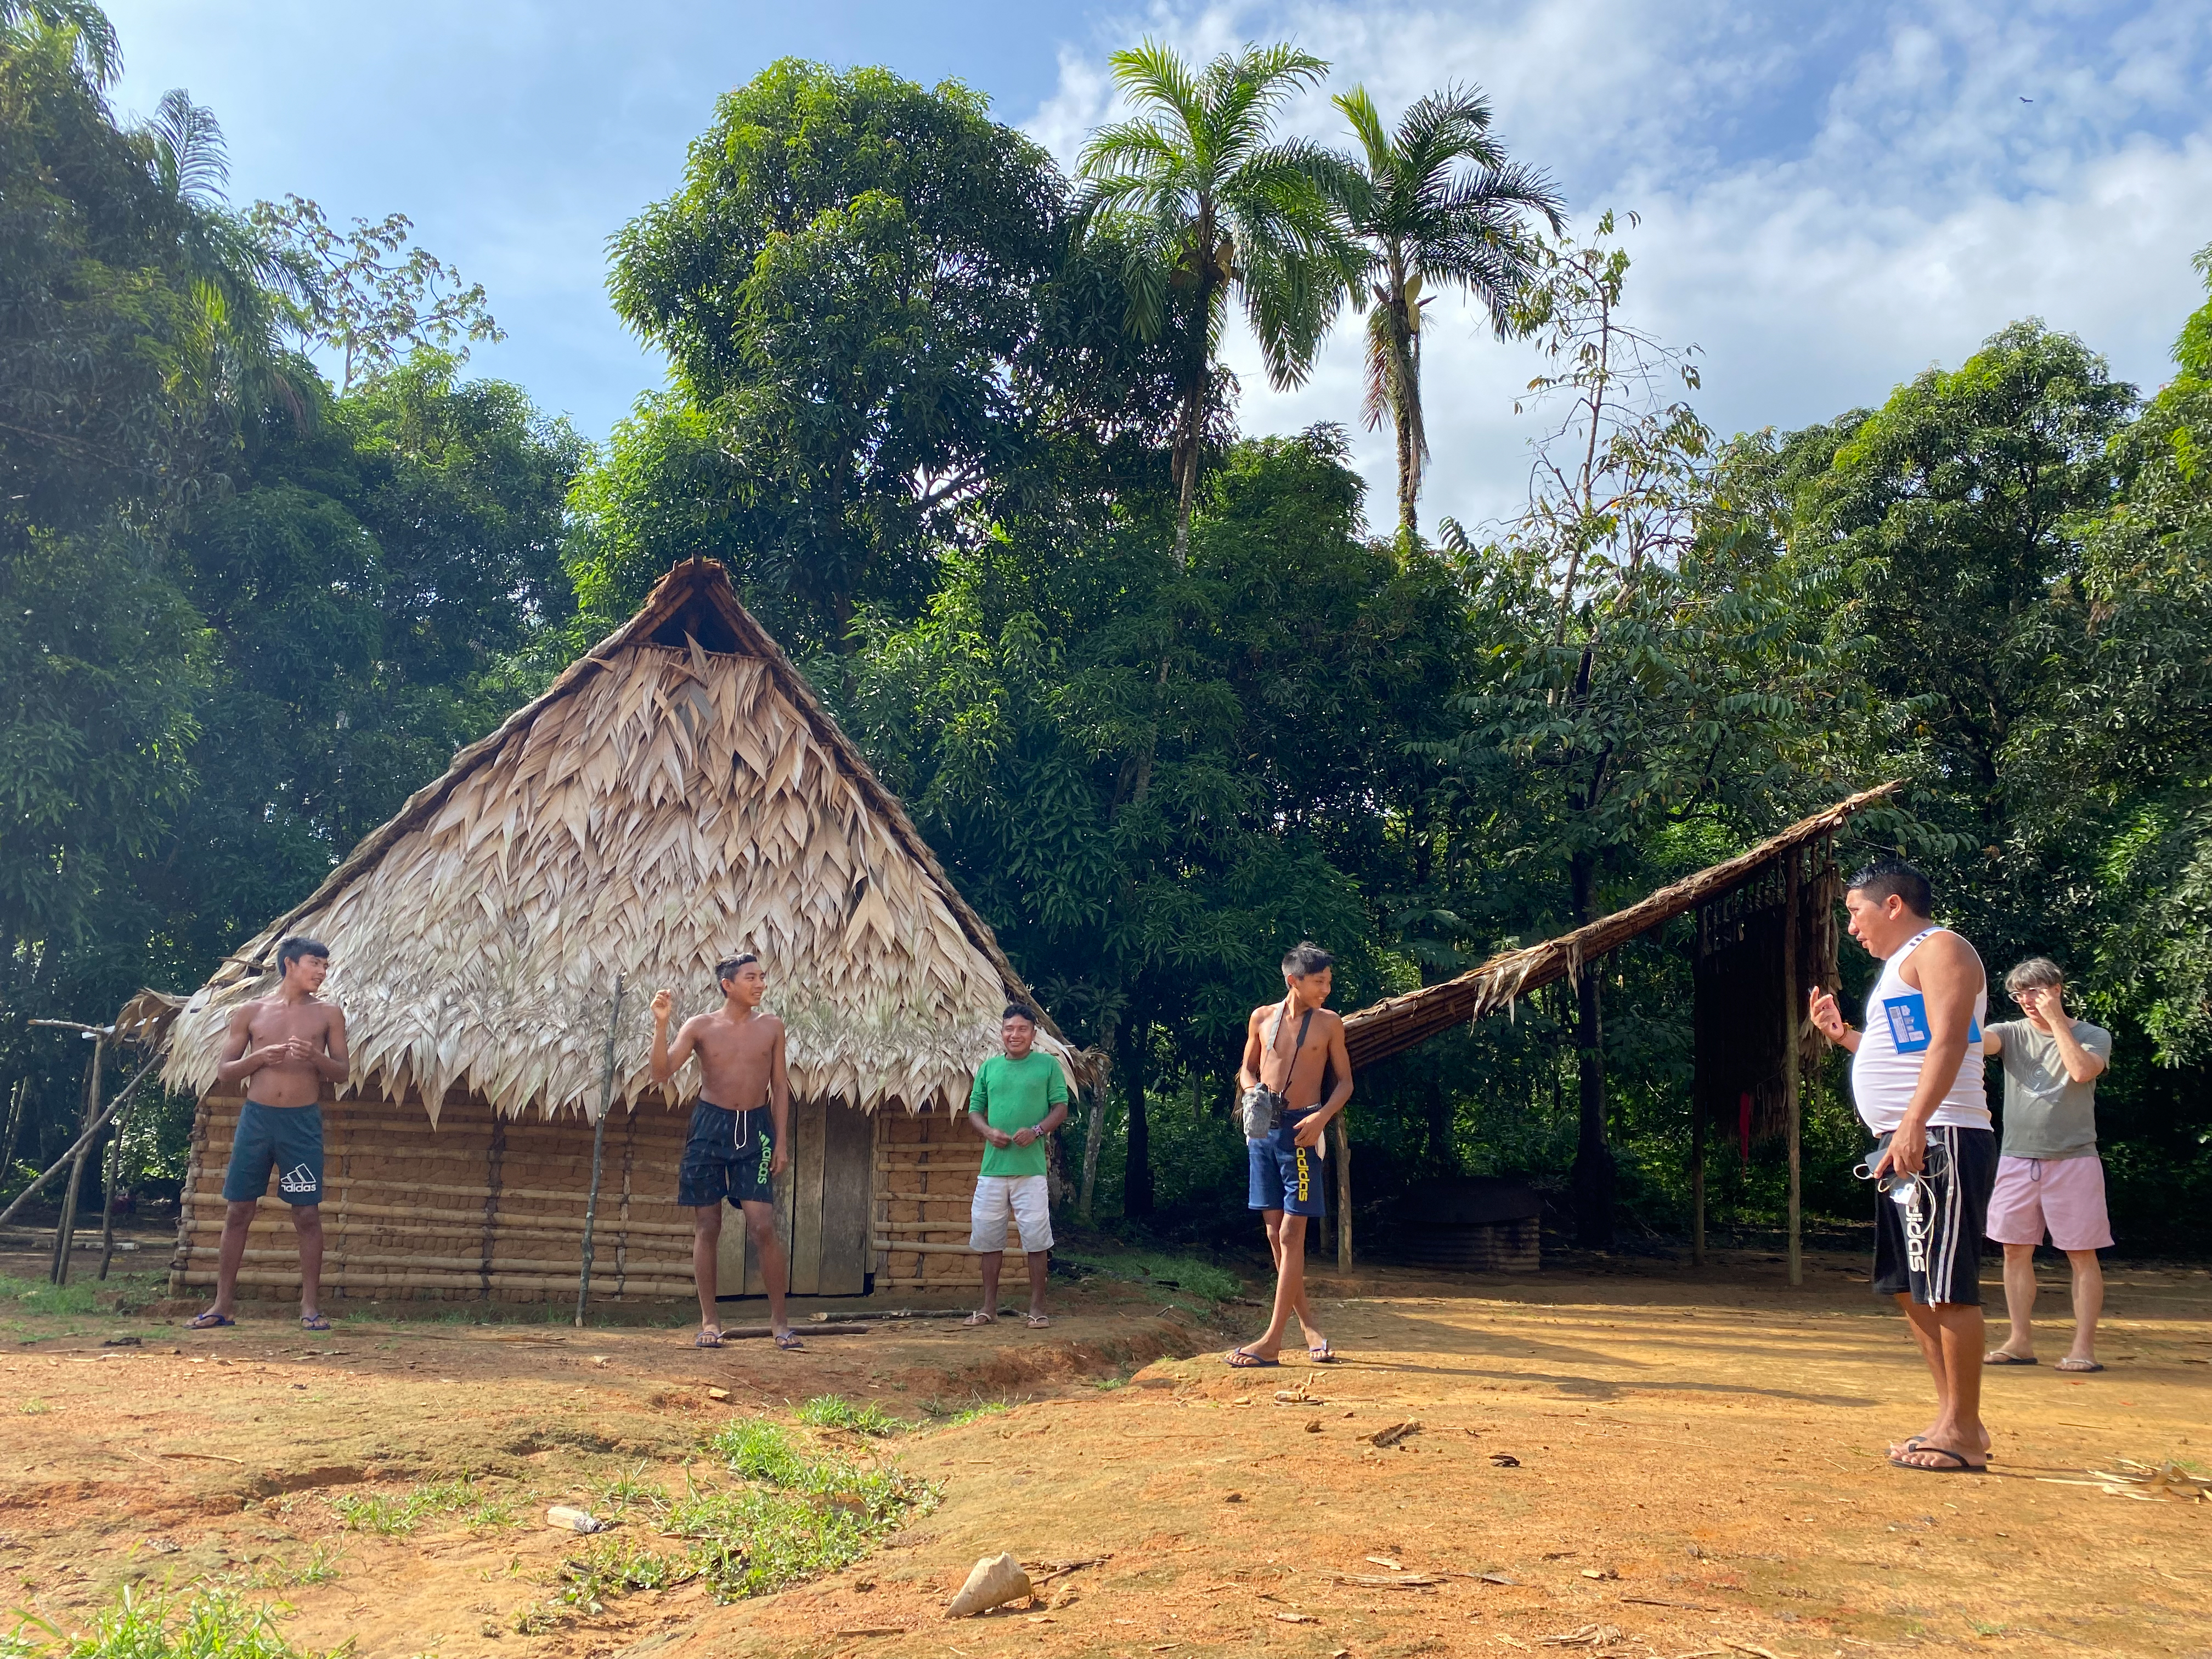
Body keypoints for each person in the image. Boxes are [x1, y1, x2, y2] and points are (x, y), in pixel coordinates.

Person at [1808, 861, 1996, 1473]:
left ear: (1892, 904)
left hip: (1940, 1136)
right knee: (1911, 1289)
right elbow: (1909, 1049)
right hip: (1902, 1141)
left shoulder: (1943, 949)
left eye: (1855, 912)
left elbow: (1949, 1042)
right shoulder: (1904, 965)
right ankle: (1950, 1418)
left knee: (1945, 1287)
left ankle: (1964, 1432)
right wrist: (1845, 1038)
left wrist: (1916, 1121)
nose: (1851, 926)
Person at [190, 936, 349, 1332]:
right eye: (315, 963)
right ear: (289, 964)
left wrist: (315, 1057)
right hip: (257, 1121)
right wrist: (261, 1057)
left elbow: (343, 1071)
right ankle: (223, 1305)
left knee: (307, 1214)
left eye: (325, 966)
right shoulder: (251, 1011)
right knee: (239, 1209)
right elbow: (226, 1071)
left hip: (301, 1125)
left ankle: (310, 1307)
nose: (321, 972)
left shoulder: (329, 1014)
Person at [651, 955, 796, 1350]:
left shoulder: (771, 1027)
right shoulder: (700, 1026)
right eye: (752, 978)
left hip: (756, 1127)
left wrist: (780, 1141)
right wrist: (662, 1026)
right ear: (728, 985)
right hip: (710, 1126)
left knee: (762, 1224)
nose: (760, 984)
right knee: (708, 1224)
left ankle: (780, 1323)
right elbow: (661, 1073)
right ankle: (710, 1321)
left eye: (762, 977)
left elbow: (780, 1086)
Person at [1981, 958, 2113, 1373]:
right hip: (2017, 1159)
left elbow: (2080, 1070)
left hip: (2075, 1159)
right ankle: (2020, 1341)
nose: (2027, 1001)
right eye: (2020, 994)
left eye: (2035, 992)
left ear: (2057, 989)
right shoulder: (2009, 1033)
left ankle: (2083, 1349)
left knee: (2081, 1254)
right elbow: (1971, 1042)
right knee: (2014, 1251)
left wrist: (2057, 1022)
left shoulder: (2094, 1035)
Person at [1226, 941, 1353, 1369]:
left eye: (1329, 982)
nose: (1327, 990)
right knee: (1273, 1234)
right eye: (1320, 982)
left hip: (1302, 1132)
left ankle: (1272, 1341)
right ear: (1292, 981)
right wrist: (1251, 1094)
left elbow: (1345, 1085)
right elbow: (1246, 1069)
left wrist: (1320, 1121)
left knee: (1289, 1237)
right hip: (1264, 1133)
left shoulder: (1330, 1024)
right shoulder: (1262, 1018)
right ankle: (1308, 1325)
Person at [963, 1005, 1069, 1330]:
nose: (1015, 1035)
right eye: (1009, 1029)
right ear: (1002, 1033)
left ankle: (1037, 1309)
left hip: (1031, 1172)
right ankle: (988, 1309)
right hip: (993, 1171)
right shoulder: (989, 1068)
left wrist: (1037, 1131)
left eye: (1022, 1029)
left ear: (1034, 1034)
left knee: (1036, 1240)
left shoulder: (1047, 1065)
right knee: (988, 1240)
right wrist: (988, 1132)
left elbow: (1061, 1107)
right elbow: (974, 1110)